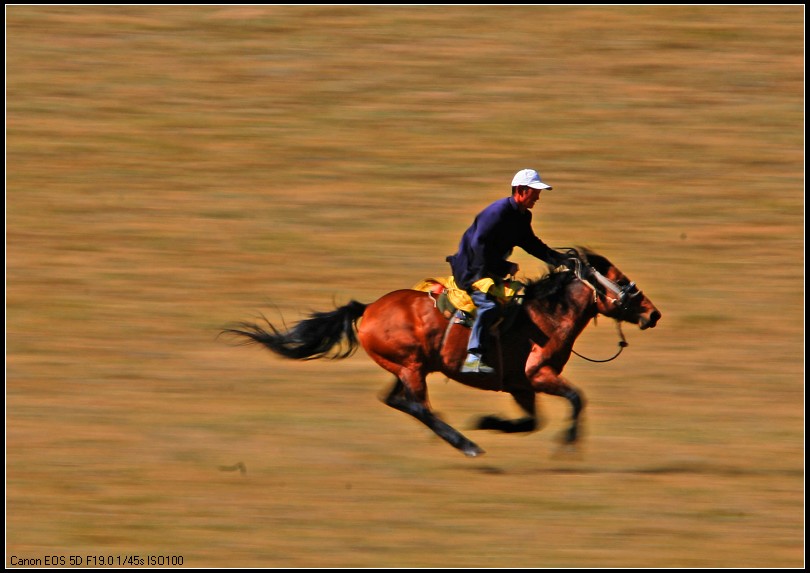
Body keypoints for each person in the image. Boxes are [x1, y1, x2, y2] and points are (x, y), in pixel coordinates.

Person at [446, 168, 567, 374]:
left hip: (488, 270)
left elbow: (531, 244)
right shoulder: (496, 212)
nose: (538, 196)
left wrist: (561, 260)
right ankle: (473, 357)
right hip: (471, 270)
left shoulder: (522, 216)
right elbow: (477, 246)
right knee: (489, 307)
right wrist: (503, 266)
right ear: (520, 190)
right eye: (535, 191)